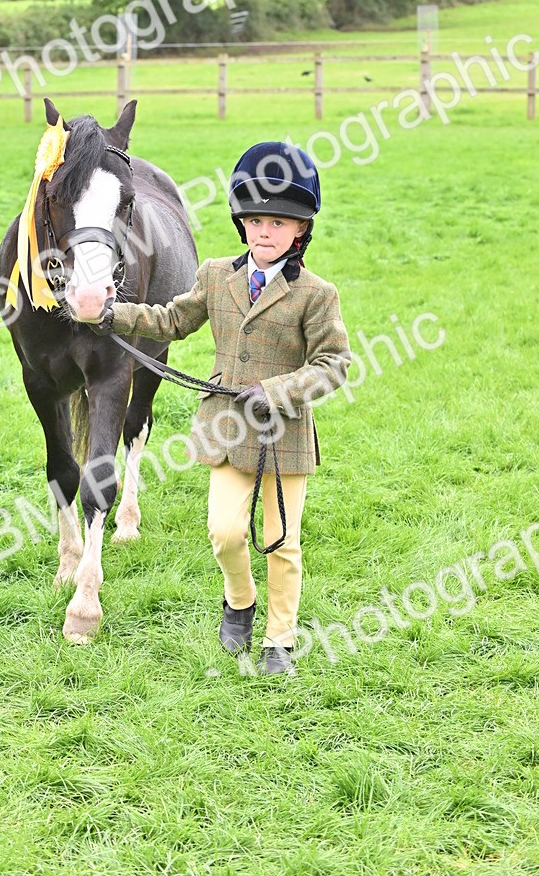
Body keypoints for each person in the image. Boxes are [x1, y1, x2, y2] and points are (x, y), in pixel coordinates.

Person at [84, 142, 352, 676]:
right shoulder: (215, 276)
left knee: (282, 542)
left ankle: (280, 639)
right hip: (226, 428)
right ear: (241, 223)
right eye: (255, 221)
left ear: (300, 230)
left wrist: (277, 392)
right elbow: (169, 321)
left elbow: (334, 364)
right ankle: (239, 600)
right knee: (225, 533)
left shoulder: (318, 295)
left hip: (284, 436)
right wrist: (111, 315)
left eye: (278, 223)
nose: (264, 232)